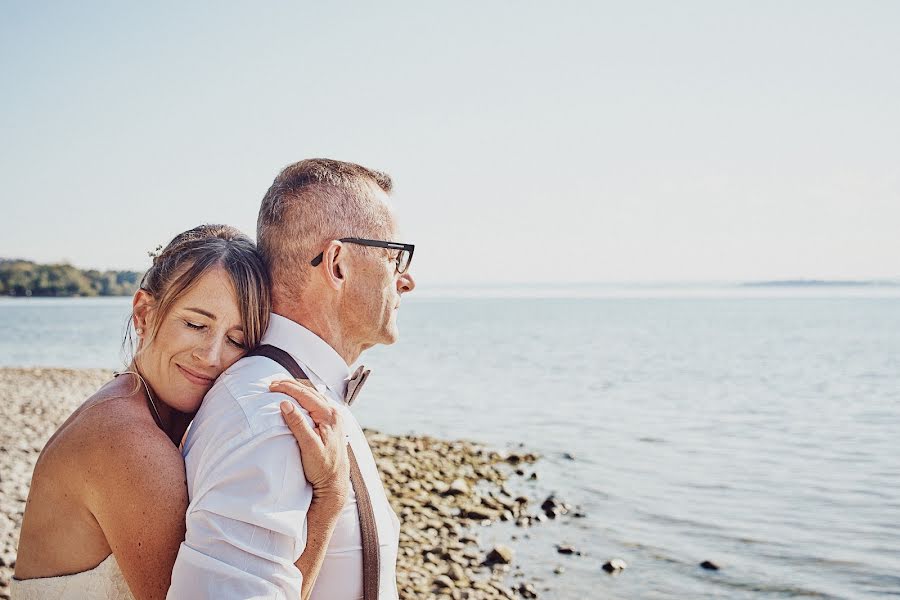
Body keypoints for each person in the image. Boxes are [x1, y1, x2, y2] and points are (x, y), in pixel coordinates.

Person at [13, 224, 349, 600]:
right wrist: (330, 495)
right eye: (195, 324)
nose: (211, 356)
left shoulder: (138, 412)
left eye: (237, 340)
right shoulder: (127, 442)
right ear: (143, 313)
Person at [167, 159, 417, 599]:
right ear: (338, 264)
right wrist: (330, 498)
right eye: (394, 258)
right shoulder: (271, 415)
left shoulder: (296, 397)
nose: (407, 280)